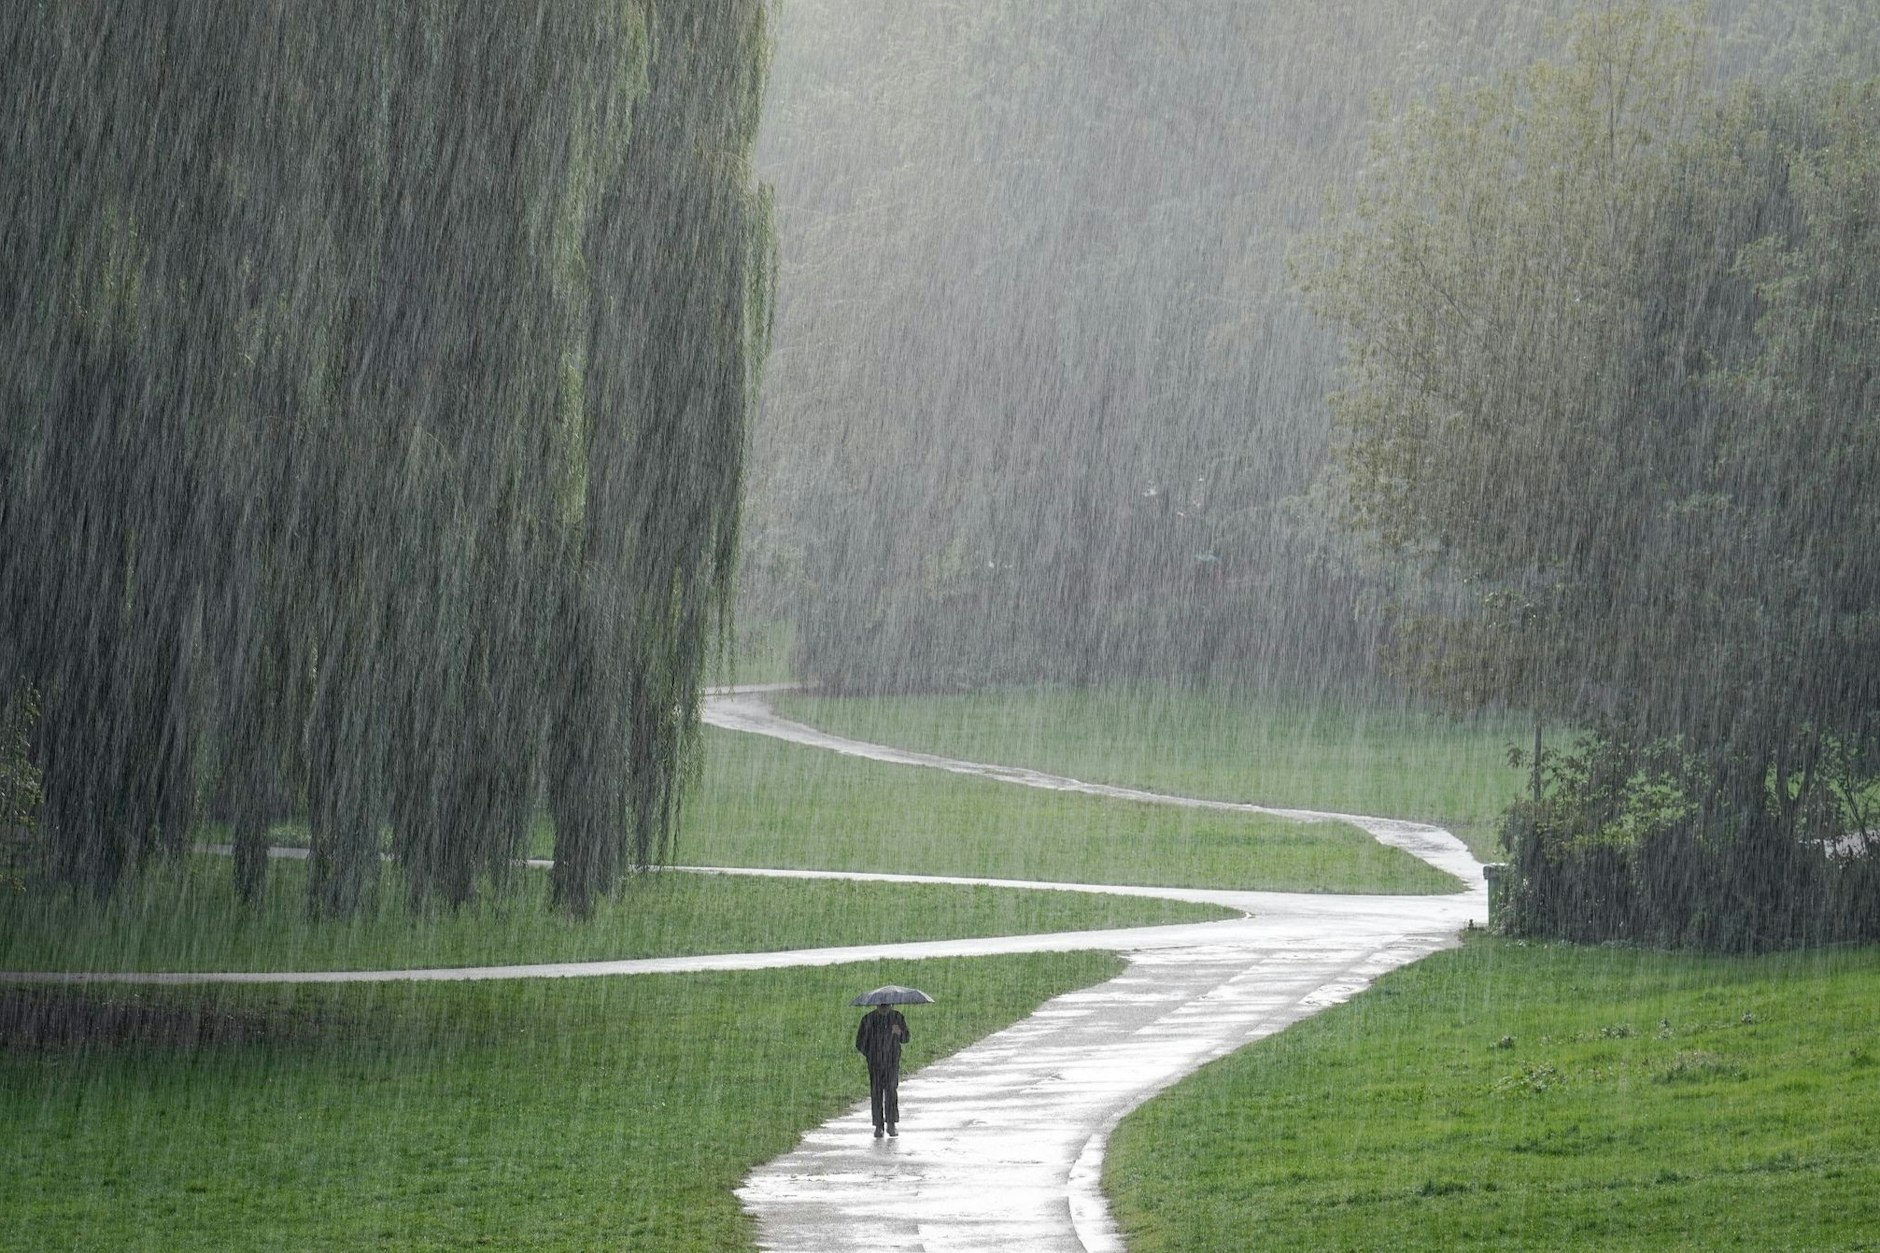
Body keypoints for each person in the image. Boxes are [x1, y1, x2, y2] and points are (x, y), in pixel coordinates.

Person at [855, 1002, 910, 1138]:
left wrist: (899, 1032)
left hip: (892, 1062)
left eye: (887, 1005)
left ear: (891, 1005)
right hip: (875, 1063)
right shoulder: (868, 1019)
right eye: (882, 1006)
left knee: (891, 1091)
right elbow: (860, 1043)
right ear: (877, 1005)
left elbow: (906, 1038)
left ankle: (891, 1124)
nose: (884, 1008)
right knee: (876, 1093)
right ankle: (878, 1126)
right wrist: (871, 1054)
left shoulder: (897, 1017)